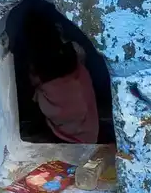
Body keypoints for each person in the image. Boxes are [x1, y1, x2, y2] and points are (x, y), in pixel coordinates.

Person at [22, 11, 99, 144]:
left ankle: (44, 129)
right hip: (89, 125)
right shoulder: (73, 49)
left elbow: (34, 83)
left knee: (39, 95)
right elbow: (83, 60)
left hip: (59, 113)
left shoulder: (35, 64)